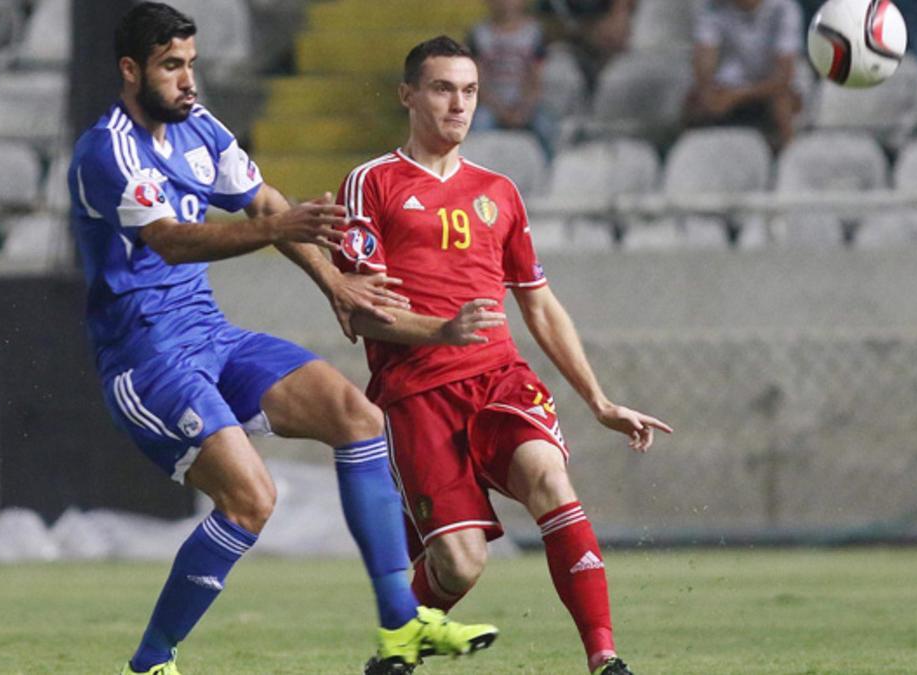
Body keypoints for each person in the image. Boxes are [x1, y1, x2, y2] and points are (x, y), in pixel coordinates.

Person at [67, 5, 496, 674]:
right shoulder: (107, 149)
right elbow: (174, 242)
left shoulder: (200, 129)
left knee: (357, 416)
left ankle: (399, 627)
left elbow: (266, 206)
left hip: (208, 333)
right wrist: (282, 229)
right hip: (145, 359)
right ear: (131, 71)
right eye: (172, 67)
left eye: (192, 65)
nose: (189, 82)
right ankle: (151, 661)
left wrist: (334, 284)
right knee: (252, 500)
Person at [332, 36, 673, 675]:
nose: (457, 104)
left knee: (549, 477)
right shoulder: (371, 183)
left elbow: (539, 303)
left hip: (500, 378)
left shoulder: (500, 191)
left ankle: (605, 658)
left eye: (468, 91)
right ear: (408, 95)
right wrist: (442, 331)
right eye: (441, 89)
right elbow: (358, 308)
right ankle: (397, 650)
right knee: (460, 565)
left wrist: (598, 400)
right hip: (416, 395)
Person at [683, 0, 803, 153]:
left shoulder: (783, 8)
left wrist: (736, 96)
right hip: (730, 84)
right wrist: (708, 91)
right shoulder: (712, 7)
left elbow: (784, 75)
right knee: (695, 102)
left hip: (770, 85)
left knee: (782, 102)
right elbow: (704, 65)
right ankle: (696, 158)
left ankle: (788, 156)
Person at [467, 0, 558, 155]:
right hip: (491, 104)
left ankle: (550, 172)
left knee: (546, 127)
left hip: (527, 102)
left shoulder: (535, 33)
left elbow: (537, 77)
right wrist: (499, 110)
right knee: (478, 126)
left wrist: (525, 108)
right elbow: (477, 80)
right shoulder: (479, 34)